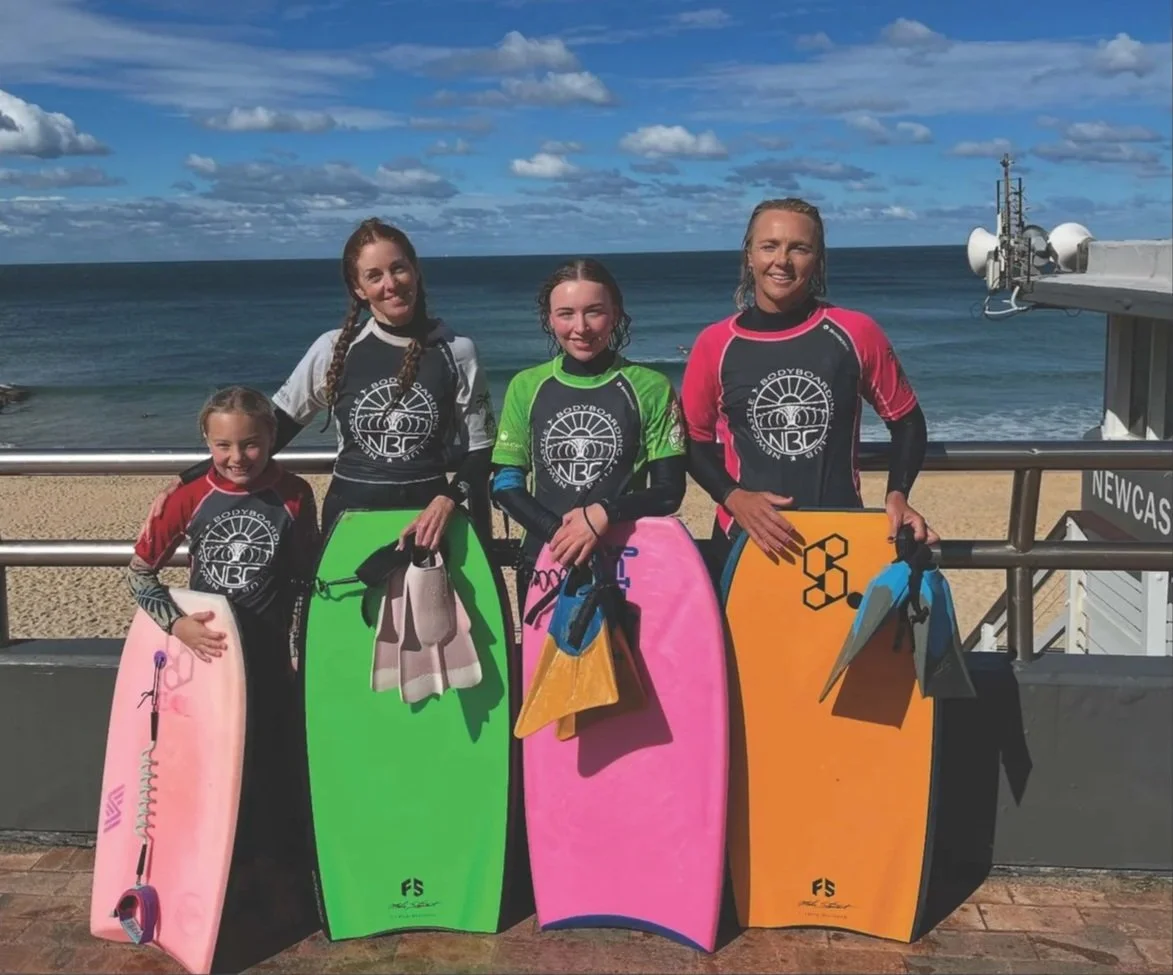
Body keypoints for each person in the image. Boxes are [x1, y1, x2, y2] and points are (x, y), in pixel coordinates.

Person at [147, 216, 496, 549]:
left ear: (416, 270)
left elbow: (480, 450)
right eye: (374, 276)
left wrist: (447, 500)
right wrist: (190, 478)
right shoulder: (333, 349)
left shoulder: (457, 350)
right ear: (359, 289)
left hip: (428, 525)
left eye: (398, 268)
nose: (390, 284)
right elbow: (274, 431)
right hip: (349, 523)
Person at [127, 386, 320, 920]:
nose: (238, 457)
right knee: (210, 771)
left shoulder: (296, 493)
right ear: (207, 443)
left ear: (273, 438)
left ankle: (275, 877)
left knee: (270, 768)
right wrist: (179, 625)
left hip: (268, 660)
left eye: (251, 444)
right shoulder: (186, 494)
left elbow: (307, 582)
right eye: (223, 446)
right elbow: (140, 574)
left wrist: (305, 651)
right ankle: (214, 875)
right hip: (205, 661)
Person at [681, 197, 932, 571]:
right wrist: (733, 497)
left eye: (799, 248)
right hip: (746, 537)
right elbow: (690, 441)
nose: (782, 260)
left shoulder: (855, 332)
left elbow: (907, 421)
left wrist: (897, 495)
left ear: (817, 260)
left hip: (839, 536)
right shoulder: (716, 343)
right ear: (749, 255)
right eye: (769, 246)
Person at [490, 258, 687, 616]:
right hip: (545, 561)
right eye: (565, 314)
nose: (580, 327)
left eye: (594, 312)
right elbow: (505, 483)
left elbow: (669, 492)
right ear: (549, 319)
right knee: (543, 673)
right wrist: (558, 534)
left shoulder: (652, 387)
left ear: (614, 314)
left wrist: (603, 513)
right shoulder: (526, 386)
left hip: (627, 562)